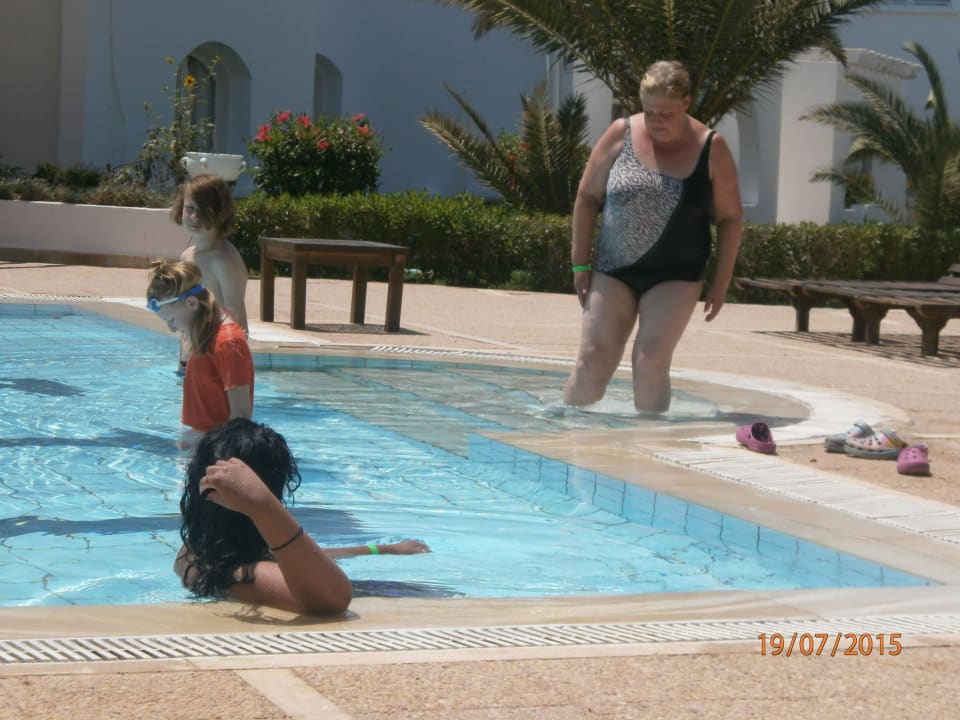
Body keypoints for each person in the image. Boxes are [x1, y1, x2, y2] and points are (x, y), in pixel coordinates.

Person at [564, 60, 743, 413]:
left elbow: (730, 217)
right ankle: (568, 433)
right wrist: (580, 264)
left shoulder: (711, 147)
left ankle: (648, 438)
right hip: (614, 269)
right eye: (650, 113)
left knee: (650, 360)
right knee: (593, 357)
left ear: (686, 103)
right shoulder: (621, 133)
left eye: (666, 114)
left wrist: (721, 283)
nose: (657, 121)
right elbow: (587, 197)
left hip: (676, 275)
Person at [174, 418, 430, 615]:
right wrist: (263, 506)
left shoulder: (197, 551)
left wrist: (380, 549)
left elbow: (297, 556)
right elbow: (334, 598)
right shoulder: (240, 573)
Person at [146, 259, 253, 432]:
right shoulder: (204, 334)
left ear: (192, 303)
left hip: (215, 446)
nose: (172, 329)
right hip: (199, 441)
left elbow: (241, 417)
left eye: (171, 319)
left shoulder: (228, 343)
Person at [170, 174, 249, 373]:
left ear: (220, 212)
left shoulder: (223, 259)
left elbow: (237, 317)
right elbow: (187, 315)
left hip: (216, 361)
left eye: (203, 210)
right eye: (190, 208)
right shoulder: (187, 256)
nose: (195, 217)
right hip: (191, 359)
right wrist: (182, 364)